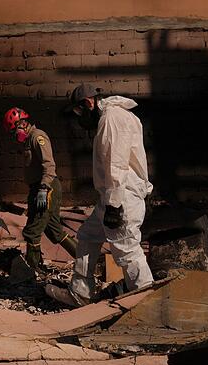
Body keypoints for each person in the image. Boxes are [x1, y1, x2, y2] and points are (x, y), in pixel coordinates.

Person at [46, 84, 154, 306]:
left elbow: (117, 163)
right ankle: (81, 292)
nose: (79, 118)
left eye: (78, 112)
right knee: (88, 235)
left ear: (88, 103)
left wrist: (114, 206)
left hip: (120, 197)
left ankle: (146, 301)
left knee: (127, 250)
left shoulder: (112, 119)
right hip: (116, 196)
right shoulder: (120, 116)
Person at [2, 107, 78, 271]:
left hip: (46, 188)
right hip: (38, 188)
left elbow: (49, 166)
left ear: (22, 124)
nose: (15, 135)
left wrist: (43, 189)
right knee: (54, 231)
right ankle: (85, 259)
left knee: (32, 231)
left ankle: (31, 270)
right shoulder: (29, 140)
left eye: (14, 130)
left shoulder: (38, 137)